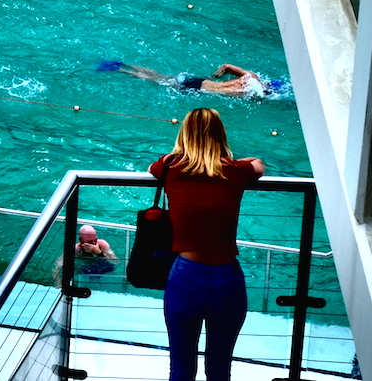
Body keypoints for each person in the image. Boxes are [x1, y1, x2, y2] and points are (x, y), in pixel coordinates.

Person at [149, 107, 265, 381]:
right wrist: (231, 159)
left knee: (181, 369)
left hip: (186, 277)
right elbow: (259, 164)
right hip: (228, 280)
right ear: (220, 135)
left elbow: (153, 167)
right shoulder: (237, 170)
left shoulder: (170, 166)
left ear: (185, 134)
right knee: (219, 369)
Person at [104, 61, 278, 98]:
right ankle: (121, 70)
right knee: (157, 80)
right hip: (196, 89)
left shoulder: (251, 77)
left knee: (163, 76)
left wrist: (215, 76)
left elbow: (226, 66)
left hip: (200, 81)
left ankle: (126, 64)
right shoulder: (249, 92)